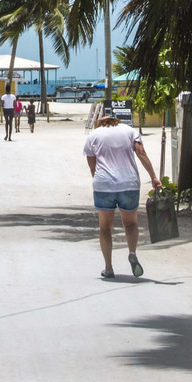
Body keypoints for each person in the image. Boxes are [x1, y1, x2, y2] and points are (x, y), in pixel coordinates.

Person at [84, 110, 156, 279]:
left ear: (102, 122)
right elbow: (141, 153)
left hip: (104, 185)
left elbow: (92, 165)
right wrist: (153, 176)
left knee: (105, 227)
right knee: (130, 224)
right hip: (128, 183)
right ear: (117, 121)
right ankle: (132, 252)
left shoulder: (94, 135)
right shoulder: (130, 131)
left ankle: (108, 267)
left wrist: (99, 179)